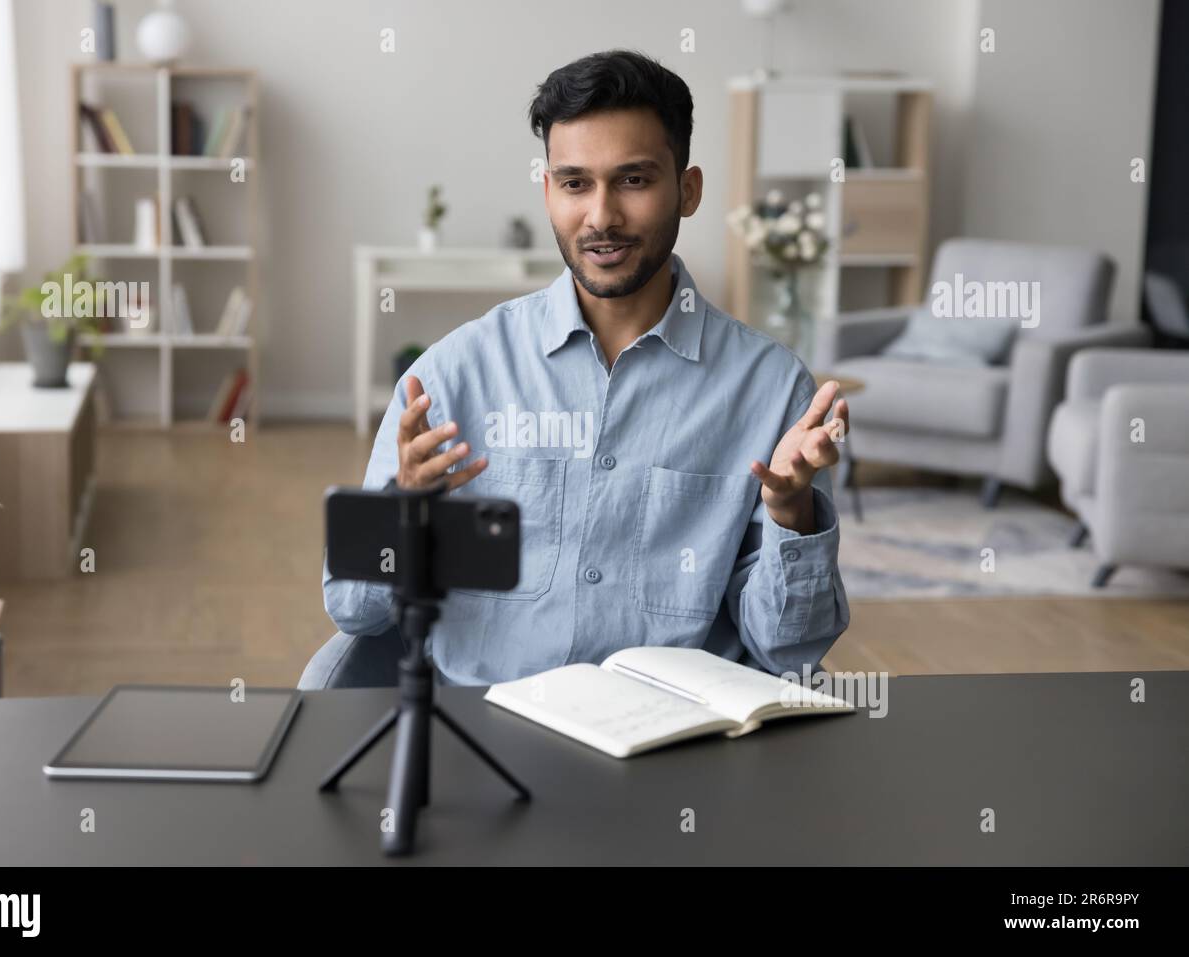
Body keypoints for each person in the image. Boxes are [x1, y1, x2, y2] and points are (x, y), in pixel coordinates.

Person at [303, 49, 849, 689]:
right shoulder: (451, 375)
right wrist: (403, 509)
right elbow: (352, 610)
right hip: (484, 736)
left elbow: (791, 654)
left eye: (635, 180)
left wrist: (790, 514)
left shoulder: (773, 389)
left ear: (689, 190)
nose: (601, 217)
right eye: (575, 183)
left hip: (673, 746)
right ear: (548, 191)